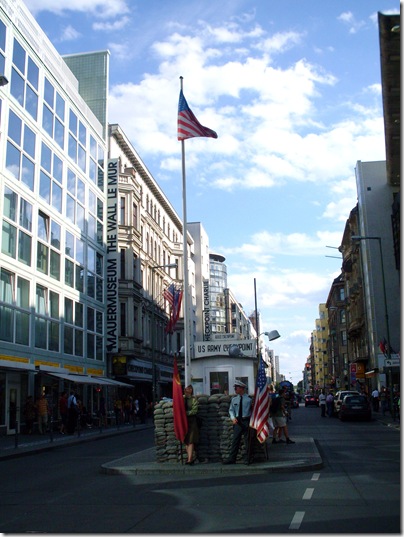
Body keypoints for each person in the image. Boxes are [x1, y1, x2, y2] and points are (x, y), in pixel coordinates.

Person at [223, 380, 253, 465]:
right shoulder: (234, 399)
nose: (235, 389)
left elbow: (252, 410)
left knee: (248, 441)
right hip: (238, 422)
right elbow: (231, 410)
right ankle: (232, 459)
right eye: (235, 388)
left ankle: (248, 458)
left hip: (246, 421)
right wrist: (232, 418)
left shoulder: (249, 399)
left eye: (237, 387)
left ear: (242, 388)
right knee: (235, 440)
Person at [183, 385, 199, 464]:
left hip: (191, 421)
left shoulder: (193, 399)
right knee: (186, 440)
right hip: (183, 421)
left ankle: (190, 459)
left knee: (191, 440)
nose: (187, 390)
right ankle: (189, 457)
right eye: (186, 388)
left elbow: (194, 410)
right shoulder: (182, 398)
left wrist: (185, 413)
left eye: (189, 389)